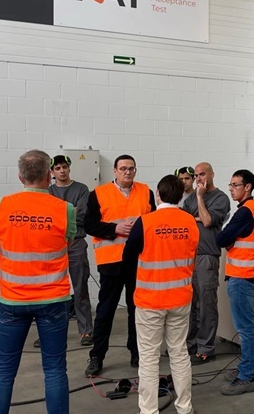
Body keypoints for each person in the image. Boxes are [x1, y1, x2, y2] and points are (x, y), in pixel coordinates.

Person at [0, 150, 76, 413]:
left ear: (20, 176)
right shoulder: (65, 209)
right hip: (53, 300)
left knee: (4, 369)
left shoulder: (1, 205)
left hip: (13, 300)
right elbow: (68, 245)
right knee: (55, 369)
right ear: (49, 176)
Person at [123, 175, 199, 414]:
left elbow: (127, 258)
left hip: (150, 301)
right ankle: (184, 408)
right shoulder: (190, 222)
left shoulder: (145, 222)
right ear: (181, 195)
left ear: (158, 194)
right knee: (179, 353)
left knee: (149, 358)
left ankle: (149, 411)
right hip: (180, 298)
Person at [84, 154, 155, 377]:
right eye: (123, 168)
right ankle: (97, 356)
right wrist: (114, 229)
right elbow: (88, 225)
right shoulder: (98, 194)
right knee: (105, 311)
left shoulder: (146, 192)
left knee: (137, 311)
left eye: (131, 168)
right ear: (115, 171)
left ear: (135, 170)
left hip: (139, 263)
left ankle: (137, 353)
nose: (127, 172)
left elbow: (153, 222)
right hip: (111, 263)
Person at [215, 169, 254, 396]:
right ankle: (245, 368)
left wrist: (226, 237)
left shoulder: (245, 212)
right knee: (246, 327)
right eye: (230, 185)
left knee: (245, 328)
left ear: (248, 187)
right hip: (245, 274)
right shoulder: (253, 208)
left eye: (235, 185)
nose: (231, 189)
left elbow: (221, 238)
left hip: (242, 276)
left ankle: (246, 377)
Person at [182, 162, 230, 364]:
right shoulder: (189, 199)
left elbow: (208, 221)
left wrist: (200, 199)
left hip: (207, 256)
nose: (198, 179)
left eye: (202, 174)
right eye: (196, 175)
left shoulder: (220, 198)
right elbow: (184, 222)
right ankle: (190, 344)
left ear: (212, 174)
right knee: (190, 304)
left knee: (206, 303)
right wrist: (198, 217)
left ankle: (206, 348)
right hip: (189, 256)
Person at [49, 155, 93, 346]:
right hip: (53, 244)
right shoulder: (48, 191)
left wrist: (59, 214)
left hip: (76, 242)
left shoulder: (81, 189)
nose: (62, 171)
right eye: (58, 168)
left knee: (80, 287)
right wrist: (70, 211)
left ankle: (86, 331)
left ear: (69, 168)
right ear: (52, 171)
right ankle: (49, 331)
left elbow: (82, 216)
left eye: (64, 167)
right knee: (52, 290)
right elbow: (48, 217)